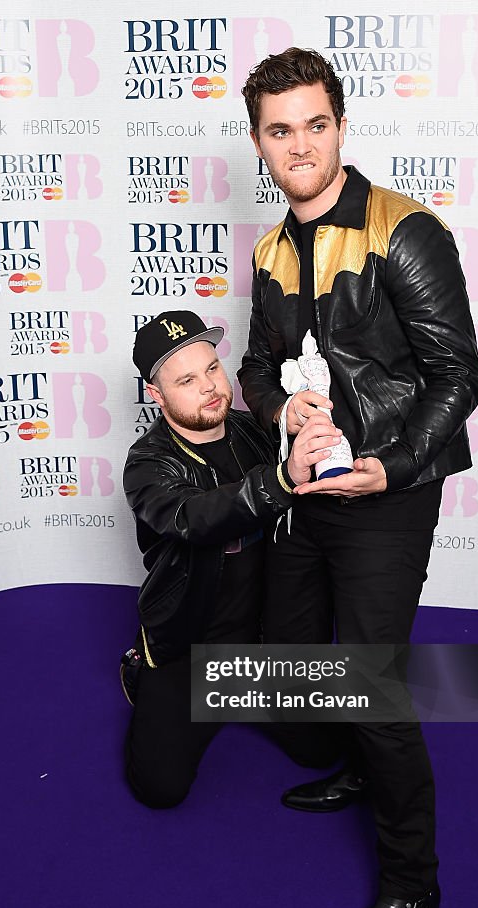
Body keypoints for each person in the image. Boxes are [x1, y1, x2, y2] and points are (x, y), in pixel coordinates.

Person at [239, 48, 478, 908]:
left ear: (340, 125)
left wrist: (389, 464)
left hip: (390, 491)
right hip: (307, 488)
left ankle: (411, 884)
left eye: (315, 123)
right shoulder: (269, 250)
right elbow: (260, 369)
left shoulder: (404, 231)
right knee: (299, 644)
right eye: (279, 128)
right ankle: (353, 764)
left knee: (376, 684)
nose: (299, 144)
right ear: (259, 141)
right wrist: (279, 410)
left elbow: (458, 377)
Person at [122, 308, 342, 809]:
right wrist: (283, 479)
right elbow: (194, 517)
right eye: (185, 379)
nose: (208, 386)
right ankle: (143, 671)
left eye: (213, 369)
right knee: (160, 789)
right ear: (156, 395)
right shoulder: (148, 463)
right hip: (194, 647)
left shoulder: (256, 431)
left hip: (270, 639)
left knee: (323, 752)